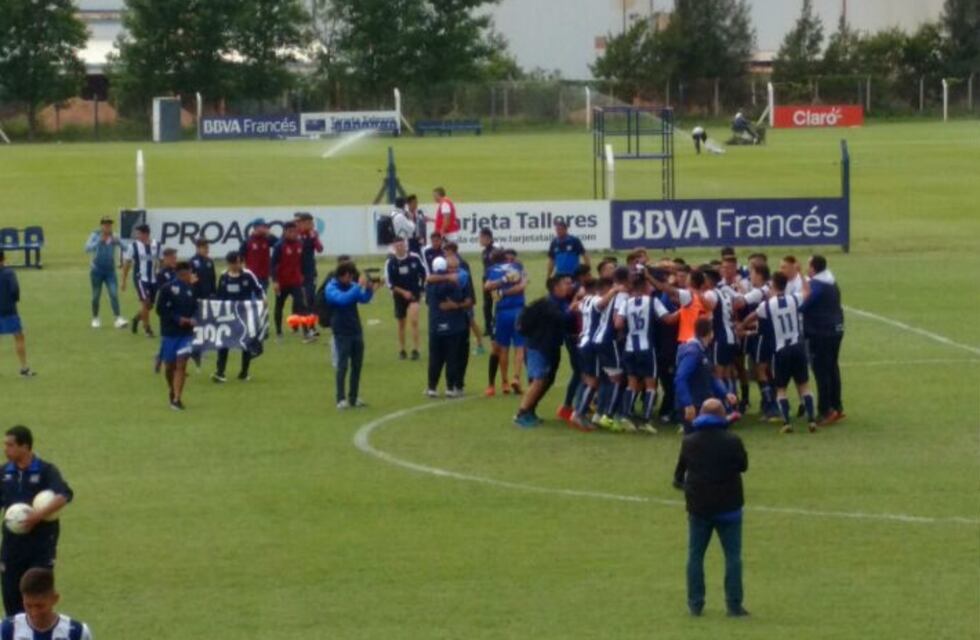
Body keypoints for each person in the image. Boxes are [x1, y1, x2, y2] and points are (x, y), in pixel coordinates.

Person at [676, 399, 749, 618]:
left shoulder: (689, 442)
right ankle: (734, 605)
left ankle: (695, 603)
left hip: (699, 507)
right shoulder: (733, 440)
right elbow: (743, 466)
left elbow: (679, 474)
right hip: (729, 507)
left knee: (695, 556)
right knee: (733, 557)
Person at [0, 426, 73, 616]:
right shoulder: (4, 473)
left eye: (10, 445)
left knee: (39, 599)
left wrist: (37, 516)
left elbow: (63, 495)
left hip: (41, 546)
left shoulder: (46, 470)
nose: (5, 449)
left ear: (25, 446)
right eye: (5, 445)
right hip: (12, 547)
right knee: (11, 599)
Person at [740, 272, 816, 433]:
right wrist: (801, 274)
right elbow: (808, 292)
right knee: (804, 386)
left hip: (781, 350)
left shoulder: (766, 305)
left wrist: (741, 326)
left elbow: (751, 317)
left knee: (781, 388)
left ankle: (787, 422)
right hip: (797, 347)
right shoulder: (794, 299)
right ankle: (811, 420)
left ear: (772, 285)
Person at [513, 275, 574, 427]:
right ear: (556, 287)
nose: (569, 286)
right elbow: (562, 319)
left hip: (550, 346)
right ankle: (521, 414)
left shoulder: (560, 302)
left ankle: (530, 411)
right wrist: (573, 309)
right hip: (538, 347)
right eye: (565, 283)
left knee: (546, 380)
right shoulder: (548, 304)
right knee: (538, 380)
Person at [802, 255, 845, 425]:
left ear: (813, 268)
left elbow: (802, 305)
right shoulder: (831, 282)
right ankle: (837, 406)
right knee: (832, 368)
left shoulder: (817, 286)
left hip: (821, 332)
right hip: (836, 329)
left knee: (821, 371)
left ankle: (825, 410)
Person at [325, 262, 375, 409]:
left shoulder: (351, 286)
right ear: (343, 274)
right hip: (341, 331)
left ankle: (353, 397)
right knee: (342, 365)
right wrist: (358, 286)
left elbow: (363, 299)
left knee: (357, 365)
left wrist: (370, 289)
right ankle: (340, 398)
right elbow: (342, 300)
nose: (351, 278)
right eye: (349, 275)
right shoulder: (331, 288)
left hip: (355, 329)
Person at [212, 251, 265, 383]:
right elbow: (220, 295)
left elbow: (259, 289)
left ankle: (244, 373)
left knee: (245, 342)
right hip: (228, 315)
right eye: (235, 263)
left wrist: (262, 300)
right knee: (224, 343)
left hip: (245, 314)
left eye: (239, 262)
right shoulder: (224, 276)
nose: (237, 265)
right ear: (229, 263)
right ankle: (220, 372)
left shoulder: (248, 275)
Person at [425, 257, 472, 398]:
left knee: (435, 358)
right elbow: (462, 299)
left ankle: (432, 387)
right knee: (452, 357)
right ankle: (450, 388)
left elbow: (428, 298)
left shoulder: (430, 285)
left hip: (435, 325)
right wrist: (456, 305)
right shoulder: (454, 283)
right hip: (453, 326)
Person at [0, 568, 92, 639]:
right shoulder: (7, 629)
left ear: (54, 599)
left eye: (40, 606)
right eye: (28, 606)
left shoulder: (77, 632)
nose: (34, 612)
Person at [483, 249, 526, 396]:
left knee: (503, 348)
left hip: (502, 311)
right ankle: (516, 377)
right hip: (519, 310)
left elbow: (488, 288)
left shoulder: (491, 270)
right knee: (520, 347)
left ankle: (504, 382)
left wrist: (501, 290)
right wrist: (506, 281)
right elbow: (522, 286)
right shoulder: (518, 267)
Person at [156, 262, 197, 410]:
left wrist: (194, 319)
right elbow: (160, 310)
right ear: (183, 274)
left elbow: (195, 308)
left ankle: (177, 398)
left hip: (186, 334)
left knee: (181, 364)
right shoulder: (167, 289)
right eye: (190, 273)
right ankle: (172, 389)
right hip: (170, 333)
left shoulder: (191, 289)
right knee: (169, 367)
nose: (192, 276)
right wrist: (179, 319)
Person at [384, 238, 426, 360]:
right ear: (394, 247)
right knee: (401, 324)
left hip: (414, 294)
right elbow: (390, 283)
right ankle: (402, 350)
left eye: (401, 245)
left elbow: (424, 273)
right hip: (399, 296)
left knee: (414, 321)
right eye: (397, 246)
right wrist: (403, 292)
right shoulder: (390, 262)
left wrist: (421, 289)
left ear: (405, 246)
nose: (400, 248)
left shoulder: (414, 258)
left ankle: (416, 349)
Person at [84, 216, 128, 329]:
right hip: (96, 270)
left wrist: (118, 242)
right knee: (96, 296)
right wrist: (99, 242)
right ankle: (95, 318)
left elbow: (126, 247)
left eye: (109, 224)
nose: (108, 226)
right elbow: (87, 248)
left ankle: (118, 318)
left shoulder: (114, 236)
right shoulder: (95, 235)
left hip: (110, 271)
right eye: (105, 224)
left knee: (113, 294)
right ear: (101, 225)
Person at [120, 224, 160, 337]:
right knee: (146, 302)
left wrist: (161, 275)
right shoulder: (133, 246)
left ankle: (137, 319)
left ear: (146, 234)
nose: (137, 236)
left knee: (149, 306)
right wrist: (123, 280)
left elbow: (161, 261)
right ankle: (147, 329)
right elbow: (127, 264)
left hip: (153, 279)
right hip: (140, 278)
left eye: (139, 233)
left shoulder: (156, 245)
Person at [0, 253, 36, 378]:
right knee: (19, 337)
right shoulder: (9, 273)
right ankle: (24, 368)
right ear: (3, 259)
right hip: (9, 310)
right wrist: (14, 300)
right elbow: (15, 290)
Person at [270, 222, 307, 341]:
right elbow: (273, 264)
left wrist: (303, 277)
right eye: (290, 232)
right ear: (285, 232)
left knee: (301, 305)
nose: (293, 234)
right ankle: (279, 332)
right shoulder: (279, 246)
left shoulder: (300, 244)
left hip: (295, 281)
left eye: (295, 231)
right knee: (279, 306)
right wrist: (275, 281)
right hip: (282, 282)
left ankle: (305, 331)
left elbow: (302, 263)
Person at [295, 212, 324, 332]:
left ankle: (311, 326)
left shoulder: (313, 234)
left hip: (311, 271)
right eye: (308, 223)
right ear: (301, 223)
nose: (311, 225)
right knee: (302, 300)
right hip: (298, 272)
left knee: (311, 299)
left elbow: (320, 249)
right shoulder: (295, 235)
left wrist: (314, 237)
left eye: (311, 223)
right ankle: (304, 327)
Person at [239, 219, 277, 291]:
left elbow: (280, 245)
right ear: (256, 227)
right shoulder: (247, 241)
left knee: (262, 297)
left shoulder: (267, 239)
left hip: (264, 276)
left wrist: (271, 234)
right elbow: (240, 257)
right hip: (251, 275)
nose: (266, 228)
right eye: (263, 226)